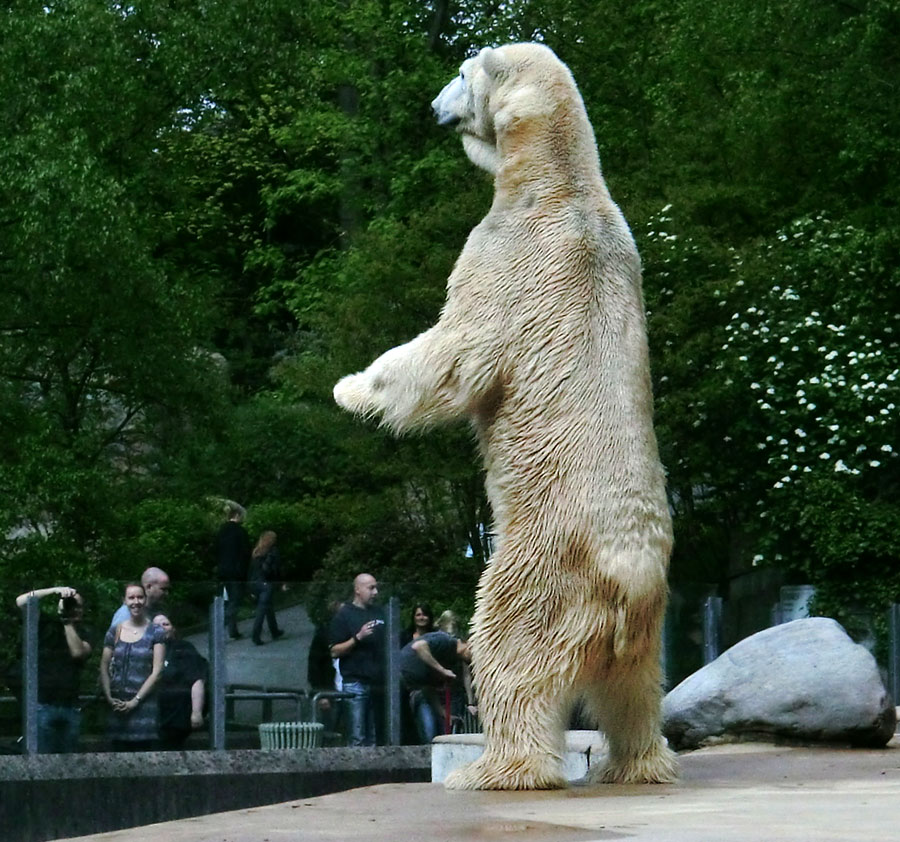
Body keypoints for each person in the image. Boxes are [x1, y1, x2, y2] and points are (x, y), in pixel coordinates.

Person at [14, 586, 92, 753]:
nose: (75, 610)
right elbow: (21, 601)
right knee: (41, 759)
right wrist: (55, 591)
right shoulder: (46, 625)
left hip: (70, 707)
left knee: (69, 763)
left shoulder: (84, 632)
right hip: (42, 706)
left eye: (78, 606)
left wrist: (67, 623)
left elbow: (78, 653)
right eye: (71, 605)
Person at [99, 582, 166, 751]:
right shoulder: (115, 631)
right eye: (131, 597)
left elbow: (157, 672)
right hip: (117, 706)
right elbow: (104, 665)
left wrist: (135, 702)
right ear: (125, 601)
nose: (136, 601)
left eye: (140, 597)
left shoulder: (156, 632)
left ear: (145, 600)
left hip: (144, 707)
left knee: (143, 754)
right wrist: (109, 697)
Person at [328, 574, 385, 746]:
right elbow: (334, 651)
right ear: (357, 590)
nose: (375, 592)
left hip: (378, 683)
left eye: (376, 587)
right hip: (355, 683)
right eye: (370, 588)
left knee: (374, 737)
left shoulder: (379, 612)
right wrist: (357, 638)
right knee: (357, 736)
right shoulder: (344, 615)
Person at [399, 630, 471, 744]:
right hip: (397, 680)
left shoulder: (451, 658)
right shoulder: (446, 641)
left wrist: (444, 714)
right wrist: (442, 670)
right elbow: (418, 646)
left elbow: (428, 687)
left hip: (412, 687)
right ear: (468, 644)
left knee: (420, 732)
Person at [152, 613, 207, 750]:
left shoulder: (183, 648)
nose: (161, 628)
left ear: (173, 628)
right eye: (156, 626)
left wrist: (196, 712)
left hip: (176, 716)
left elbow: (197, 680)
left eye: (165, 624)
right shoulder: (145, 649)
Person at [215, 501, 252, 640]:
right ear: (237, 515)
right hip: (236, 572)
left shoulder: (221, 531)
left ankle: (225, 628)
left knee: (226, 600)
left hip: (223, 571)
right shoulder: (240, 532)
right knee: (234, 601)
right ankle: (229, 629)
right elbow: (245, 553)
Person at [249, 530, 285, 645]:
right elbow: (276, 570)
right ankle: (256, 635)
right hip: (266, 583)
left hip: (255, 582)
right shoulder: (273, 552)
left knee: (267, 607)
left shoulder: (256, 552)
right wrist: (281, 584)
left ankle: (274, 630)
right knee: (263, 609)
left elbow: (251, 571)